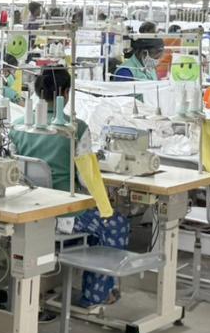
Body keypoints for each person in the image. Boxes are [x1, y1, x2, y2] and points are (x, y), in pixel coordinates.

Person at [9, 67, 128, 308]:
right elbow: (86, 179)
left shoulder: (20, 125)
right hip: (65, 216)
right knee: (114, 223)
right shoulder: (75, 129)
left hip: (29, 210)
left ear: (37, 92)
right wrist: (107, 198)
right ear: (65, 92)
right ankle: (96, 295)